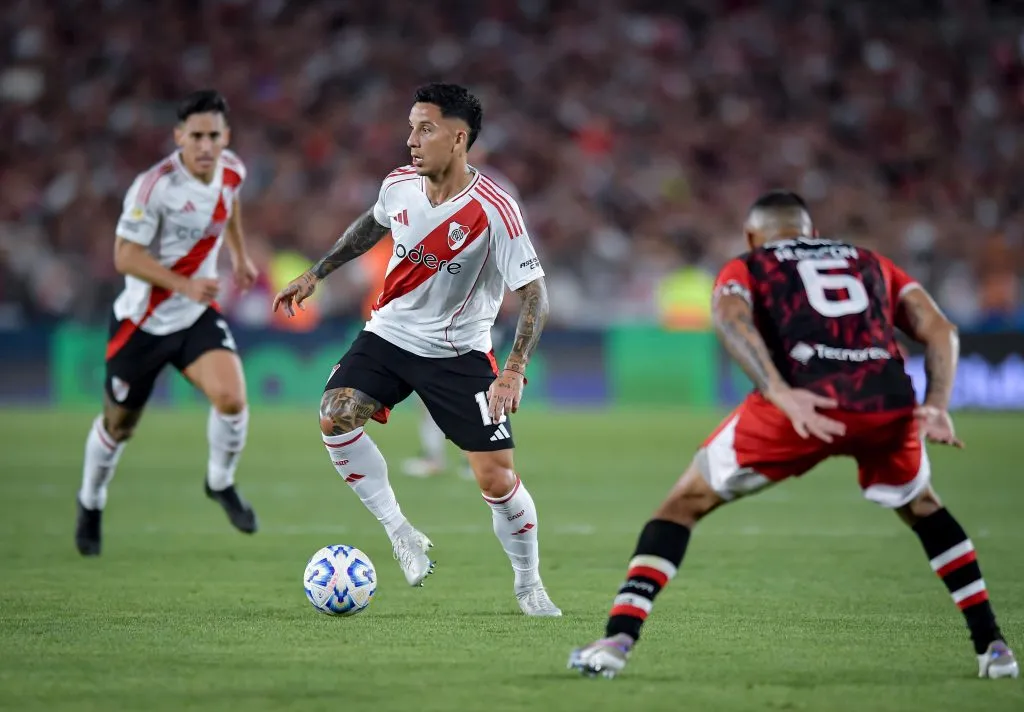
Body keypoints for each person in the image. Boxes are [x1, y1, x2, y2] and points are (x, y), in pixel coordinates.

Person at [568, 190, 1018, 679]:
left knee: (682, 504)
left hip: (803, 404)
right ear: (813, 234)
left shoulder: (750, 265)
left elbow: (729, 318)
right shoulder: (870, 261)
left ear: (752, 236)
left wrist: (779, 390)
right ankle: (993, 647)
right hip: (883, 402)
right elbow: (939, 328)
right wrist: (936, 406)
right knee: (924, 507)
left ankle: (616, 640)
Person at [272, 83, 561, 616]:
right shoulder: (399, 185)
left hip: (459, 352)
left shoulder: (495, 209)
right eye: (410, 127)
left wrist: (514, 369)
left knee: (496, 479)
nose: (411, 140)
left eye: (424, 129)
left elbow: (535, 293)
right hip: (389, 333)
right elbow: (370, 226)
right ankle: (401, 533)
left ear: (459, 137)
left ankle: (529, 584)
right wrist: (317, 272)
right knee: (335, 416)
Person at [75, 90, 259, 556]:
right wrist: (184, 284)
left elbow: (230, 204)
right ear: (179, 137)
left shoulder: (233, 169)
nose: (204, 144)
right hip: (142, 323)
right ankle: (91, 501)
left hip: (194, 316)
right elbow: (124, 256)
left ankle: (220, 481)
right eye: (195, 135)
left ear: (225, 138)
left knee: (232, 398)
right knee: (119, 428)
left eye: (212, 135)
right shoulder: (153, 187)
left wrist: (239, 255)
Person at [401, 145, 522, 480]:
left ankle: (486, 453)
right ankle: (433, 455)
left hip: (480, 307)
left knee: (481, 383)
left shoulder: (499, 193)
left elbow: (515, 245)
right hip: (436, 307)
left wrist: (510, 291)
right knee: (424, 382)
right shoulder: (426, 187)